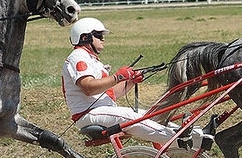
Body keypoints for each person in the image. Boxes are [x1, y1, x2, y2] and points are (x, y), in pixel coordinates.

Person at [61, 17, 212, 150]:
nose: (103, 38)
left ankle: (199, 136)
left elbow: (111, 93)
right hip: (88, 115)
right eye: (99, 35)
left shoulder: (91, 59)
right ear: (85, 37)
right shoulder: (78, 57)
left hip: (101, 111)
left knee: (150, 116)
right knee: (132, 117)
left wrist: (130, 81)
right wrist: (118, 77)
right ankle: (179, 140)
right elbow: (88, 88)